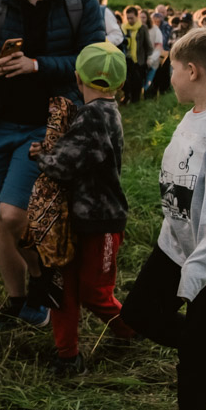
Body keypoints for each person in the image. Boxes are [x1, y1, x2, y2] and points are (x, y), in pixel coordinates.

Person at [0, 0, 104, 330]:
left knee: (14, 214)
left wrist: (37, 65)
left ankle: (46, 282)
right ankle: (19, 302)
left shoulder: (79, 1)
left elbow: (91, 60)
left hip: (48, 127)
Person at [120, 28, 206, 410]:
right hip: (177, 244)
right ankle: (203, 346)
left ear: (193, 71)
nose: (170, 76)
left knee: (199, 360)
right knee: (140, 312)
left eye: (172, 68)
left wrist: (200, 268)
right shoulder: (193, 114)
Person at [29, 42, 135, 376]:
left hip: (99, 221)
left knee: (90, 292)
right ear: (119, 85)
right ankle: (67, 355)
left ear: (77, 77)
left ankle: (129, 330)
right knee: (68, 289)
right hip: (82, 218)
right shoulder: (107, 110)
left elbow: (64, 165)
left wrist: (42, 157)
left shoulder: (92, 115)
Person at [120, 5, 146, 103]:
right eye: (128, 18)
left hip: (138, 59)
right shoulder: (123, 28)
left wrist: (147, 58)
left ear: (136, 16)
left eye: (132, 18)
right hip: (126, 57)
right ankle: (127, 96)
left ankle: (136, 100)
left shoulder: (142, 28)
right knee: (126, 80)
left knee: (137, 80)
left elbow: (146, 44)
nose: (130, 20)